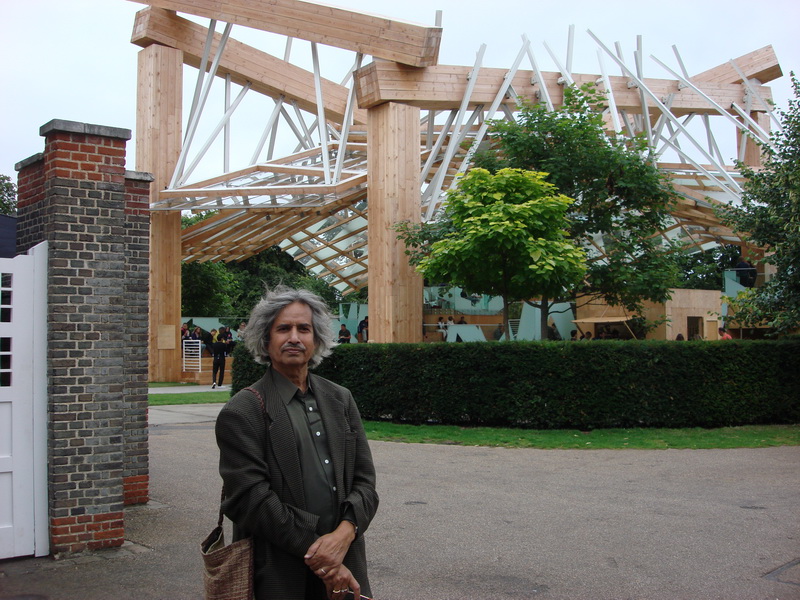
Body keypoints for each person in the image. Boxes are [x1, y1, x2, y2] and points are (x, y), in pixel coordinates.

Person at [215, 286, 378, 600]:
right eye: (283, 329)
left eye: (304, 329)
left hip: (347, 561)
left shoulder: (340, 399)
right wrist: (323, 558)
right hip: (280, 574)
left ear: (316, 338)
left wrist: (345, 533)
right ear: (265, 338)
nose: (294, 338)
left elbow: (365, 483)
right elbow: (250, 501)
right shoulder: (243, 411)